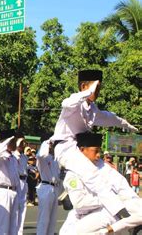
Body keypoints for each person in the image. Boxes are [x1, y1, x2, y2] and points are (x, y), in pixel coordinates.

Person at [51, 69, 138, 219]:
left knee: (112, 174)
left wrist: (126, 125)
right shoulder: (73, 104)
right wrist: (87, 91)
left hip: (80, 150)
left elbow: (109, 118)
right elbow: (66, 102)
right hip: (65, 148)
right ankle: (121, 213)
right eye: (96, 88)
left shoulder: (92, 109)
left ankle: (136, 207)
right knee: (92, 176)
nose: (97, 92)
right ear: (84, 86)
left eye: (98, 88)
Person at [60, 132, 142, 234]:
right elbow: (80, 203)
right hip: (83, 216)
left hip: (107, 214)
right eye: (95, 151)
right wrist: (110, 199)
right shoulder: (73, 173)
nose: (99, 155)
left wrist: (131, 203)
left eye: (100, 151)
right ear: (82, 150)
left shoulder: (104, 167)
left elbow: (122, 186)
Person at [0, 130, 20, 235]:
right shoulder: (0, 155)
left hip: (13, 191)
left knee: (13, 225)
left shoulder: (13, 157)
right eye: (13, 141)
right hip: (3, 192)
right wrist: (7, 140)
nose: (15, 144)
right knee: (2, 225)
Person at [36, 138, 61, 235]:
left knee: (52, 219)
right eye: (52, 144)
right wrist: (47, 142)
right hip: (46, 187)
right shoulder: (43, 158)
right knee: (44, 218)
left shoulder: (55, 158)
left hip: (55, 188)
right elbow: (41, 155)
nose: (53, 146)